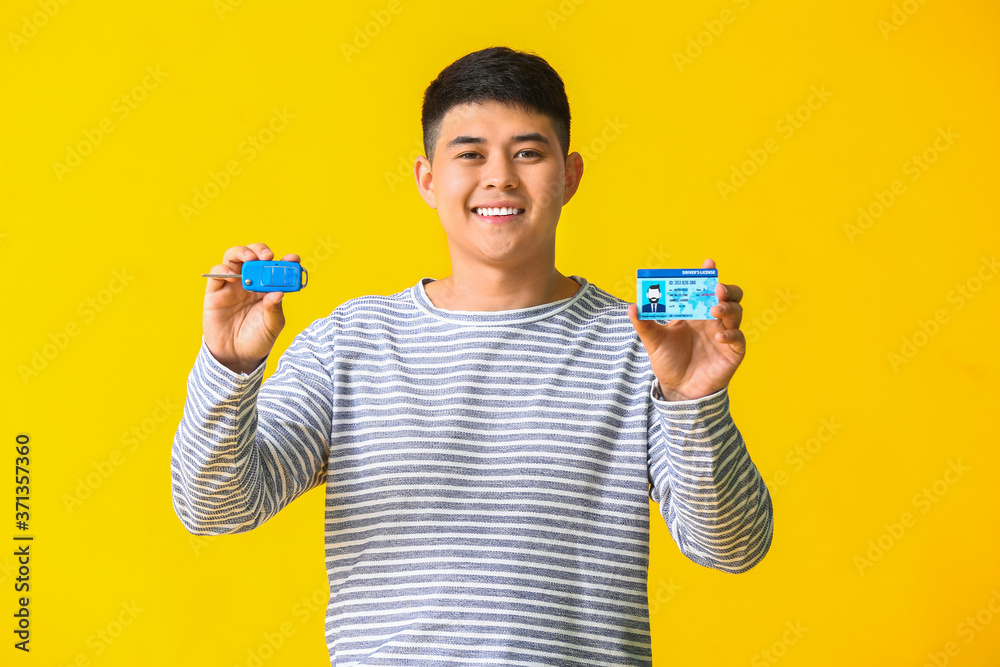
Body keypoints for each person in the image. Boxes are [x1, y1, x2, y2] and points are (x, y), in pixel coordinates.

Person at [171, 45, 773, 666]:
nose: (500, 178)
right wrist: (229, 368)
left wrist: (694, 401)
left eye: (528, 152)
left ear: (570, 176)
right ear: (428, 180)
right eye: (470, 154)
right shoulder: (346, 344)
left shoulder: (641, 346)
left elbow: (734, 547)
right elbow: (217, 508)